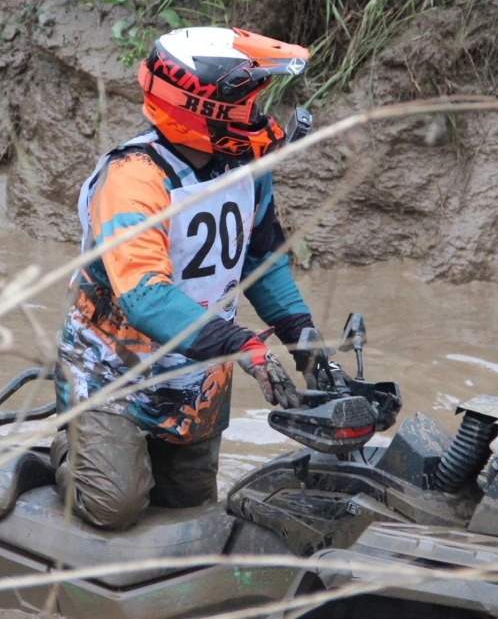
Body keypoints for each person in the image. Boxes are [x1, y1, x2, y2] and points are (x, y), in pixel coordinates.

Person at [51, 26, 325, 531]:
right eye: (247, 107)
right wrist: (243, 345)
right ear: (205, 111)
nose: (259, 118)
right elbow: (145, 297)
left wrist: (305, 341)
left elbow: (261, 263)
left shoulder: (248, 169)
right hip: (111, 376)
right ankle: (67, 449)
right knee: (116, 505)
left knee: (191, 516)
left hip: (197, 377)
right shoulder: (134, 178)